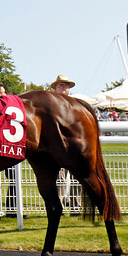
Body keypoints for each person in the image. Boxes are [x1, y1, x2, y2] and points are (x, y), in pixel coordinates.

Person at [51, 74, 81, 212]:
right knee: (59, 179)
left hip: (73, 146)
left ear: (69, 88)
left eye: (65, 85)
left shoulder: (75, 104)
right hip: (57, 146)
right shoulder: (51, 105)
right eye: (60, 85)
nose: (63, 87)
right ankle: (59, 206)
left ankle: (76, 205)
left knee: (77, 177)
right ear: (55, 88)